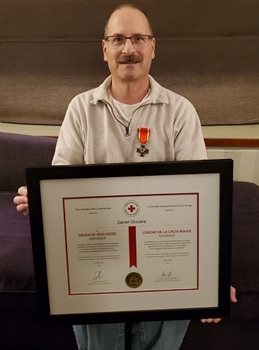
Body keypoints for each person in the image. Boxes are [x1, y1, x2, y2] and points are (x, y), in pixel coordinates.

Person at [14, 4, 237, 350]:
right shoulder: (80, 109)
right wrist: (41, 202)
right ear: (105, 49)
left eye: (138, 39)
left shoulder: (181, 111)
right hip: (99, 244)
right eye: (118, 39)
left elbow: (202, 200)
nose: (128, 49)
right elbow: (61, 185)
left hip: (163, 243)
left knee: (175, 291)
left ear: (153, 47)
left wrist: (215, 276)